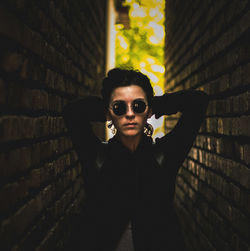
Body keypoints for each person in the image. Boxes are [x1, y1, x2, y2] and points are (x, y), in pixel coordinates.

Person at [62, 68, 209, 251]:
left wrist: (155, 105)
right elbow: (72, 112)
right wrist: (110, 108)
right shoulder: (96, 157)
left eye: (138, 106)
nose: (130, 114)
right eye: (120, 107)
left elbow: (198, 101)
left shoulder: (164, 156)